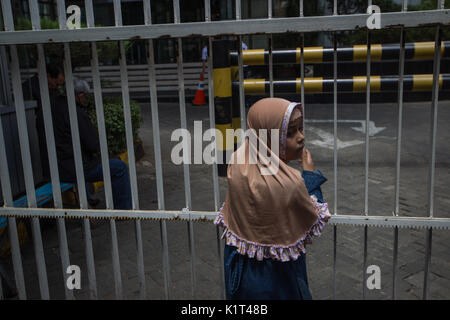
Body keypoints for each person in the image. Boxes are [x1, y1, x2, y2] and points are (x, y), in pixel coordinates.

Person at [214, 97, 331, 299]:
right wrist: (310, 175)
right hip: (279, 279)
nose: (301, 138)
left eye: (300, 129)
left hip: (241, 276)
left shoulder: (239, 162)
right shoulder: (290, 183)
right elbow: (314, 214)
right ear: (267, 137)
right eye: (290, 132)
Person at [50, 79, 132, 210]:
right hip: (73, 168)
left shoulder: (53, 107)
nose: (85, 99)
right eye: (85, 96)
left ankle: (88, 198)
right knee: (119, 167)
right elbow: (92, 145)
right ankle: (122, 210)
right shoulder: (76, 113)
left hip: (55, 166)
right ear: (79, 94)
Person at [22, 64, 65, 180]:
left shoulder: (52, 91)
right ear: (48, 76)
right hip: (37, 135)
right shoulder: (29, 88)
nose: (56, 87)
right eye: (56, 83)